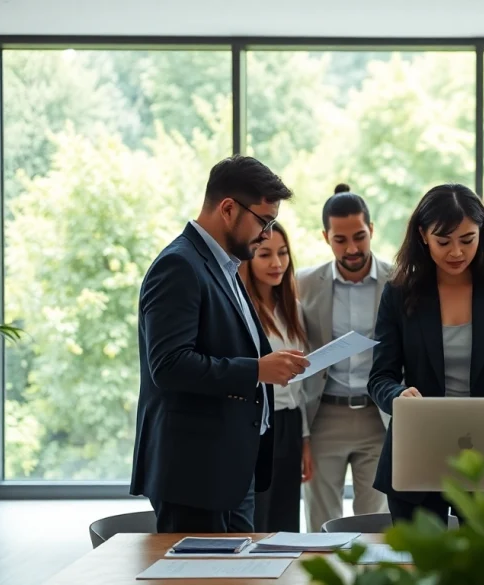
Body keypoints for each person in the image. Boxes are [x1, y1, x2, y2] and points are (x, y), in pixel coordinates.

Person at [130, 155, 308, 533]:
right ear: (228, 208)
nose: (267, 234)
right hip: (193, 475)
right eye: (264, 221)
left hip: (228, 470)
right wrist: (258, 370)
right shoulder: (179, 266)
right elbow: (169, 365)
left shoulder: (224, 267)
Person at [368, 184, 484, 525]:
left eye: (468, 239)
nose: (457, 252)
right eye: (443, 241)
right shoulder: (399, 293)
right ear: (423, 235)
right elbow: (380, 377)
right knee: (418, 571)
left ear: (483, 233)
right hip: (418, 450)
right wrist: (399, 396)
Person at [297, 184, 392, 532]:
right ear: (326, 237)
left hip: (377, 417)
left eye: (360, 236)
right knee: (322, 523)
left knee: (376, 524)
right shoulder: (304, 283)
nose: (352, 248)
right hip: (324, 416)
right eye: (340, 239)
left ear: (372, 231)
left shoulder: (399, 282)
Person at [239, 221, 311, 533]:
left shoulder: (292, 309)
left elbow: (301, 385)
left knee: (286, 520)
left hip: (291, 423)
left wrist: (305, 440)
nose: (277, 263)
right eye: (265, 254)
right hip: (259, 422)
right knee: (259, 517)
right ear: (249, 258)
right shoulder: (243, 309)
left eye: (282, 253)